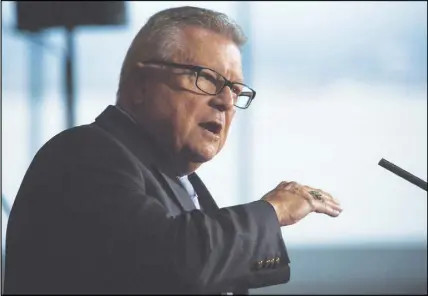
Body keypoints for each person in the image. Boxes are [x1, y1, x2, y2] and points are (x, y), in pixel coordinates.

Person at [3, 6, 343, 295]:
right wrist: (272, 211)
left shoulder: (179, 181)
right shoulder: (82, 154)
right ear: (141, 86)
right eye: (208, 79)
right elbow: (171, 257)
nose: (226, 101)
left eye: (236, 90)